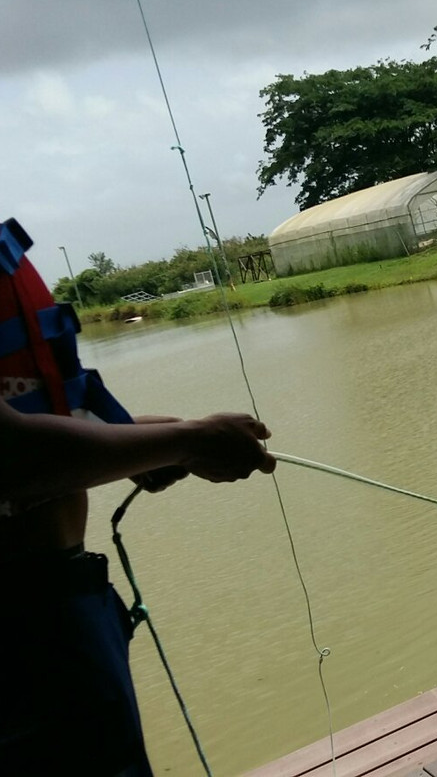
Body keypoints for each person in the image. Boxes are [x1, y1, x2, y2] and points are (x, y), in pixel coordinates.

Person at [0, 215, 276, 775]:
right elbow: (10, 458)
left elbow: (40, 419)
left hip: (58, 602)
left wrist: (158, 443)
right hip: (18, 632)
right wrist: (187, 442)